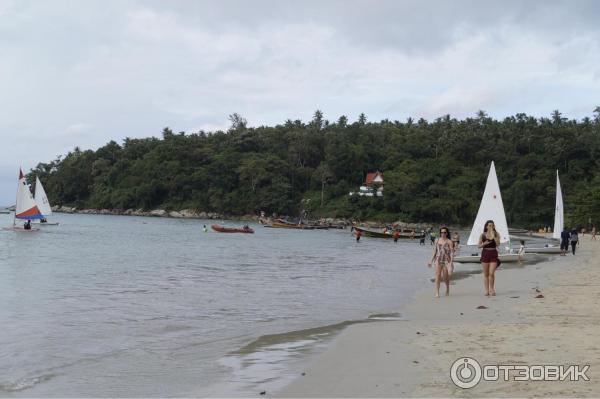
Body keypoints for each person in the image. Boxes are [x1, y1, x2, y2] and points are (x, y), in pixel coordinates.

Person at [427, 227, 454, 298]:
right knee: (437, 275)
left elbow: (451, 253)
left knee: (445, 276)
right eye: (442, 232)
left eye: (444, 232)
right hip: (438, 260)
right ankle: (437, 292)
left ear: (447, 233)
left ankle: (447, 289)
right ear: (440, 233)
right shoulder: (437, 240)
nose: (443, 234)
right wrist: (431, 260)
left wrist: (451, 262)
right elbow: (434, 251)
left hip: (446, 261)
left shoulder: (449, 241)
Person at [478, 220, 500, 296]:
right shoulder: (483, 235)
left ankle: (492, 289)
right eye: (489, 225)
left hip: (493, 253)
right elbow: (478, 246)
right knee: (486, 274)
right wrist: (484, 243)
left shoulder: (496, 234)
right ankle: (486, 290)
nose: (490, 226)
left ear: (494, 226)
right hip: (485, 253)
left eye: (492, 225)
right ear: (486, 226)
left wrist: (493, 236)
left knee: (491, 273)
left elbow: (498, 244)